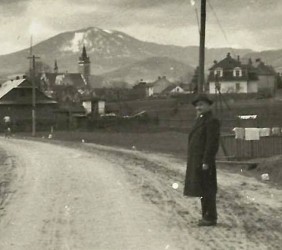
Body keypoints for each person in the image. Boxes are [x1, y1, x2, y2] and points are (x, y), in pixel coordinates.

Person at [184, 94, 220, 227]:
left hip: (205, 162)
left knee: (208, 189)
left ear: (209, 105)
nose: (199, 107)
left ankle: (210, 217)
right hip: (197, 160)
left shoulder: (212, 121)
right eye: (197, 105)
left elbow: (212, 143)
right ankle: (206, 216)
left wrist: (206, 161)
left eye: (202, 105)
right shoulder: (200, 119)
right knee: (202, 189)